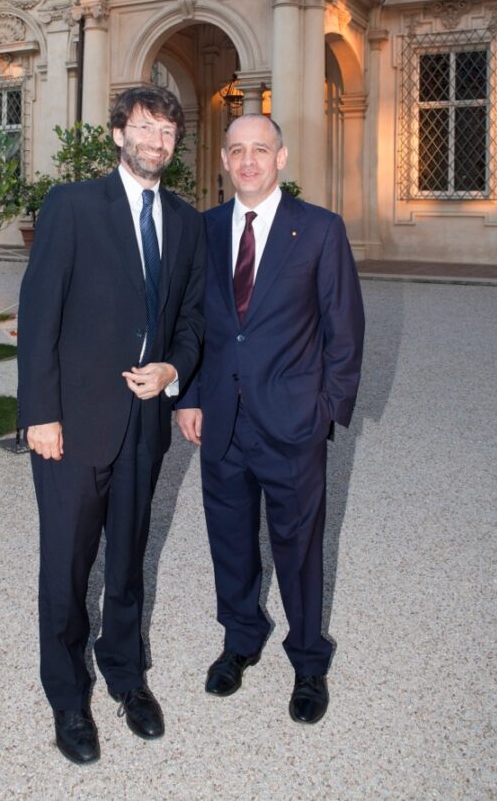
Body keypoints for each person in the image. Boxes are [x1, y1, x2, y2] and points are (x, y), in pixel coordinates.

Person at [17, 85, 204, 766]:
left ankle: (125, 674)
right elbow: (40, 312)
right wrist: (39, 412)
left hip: (144, 424)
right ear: (119, 133)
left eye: (168, 132)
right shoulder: (71, 206)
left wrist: (173, 372)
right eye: (146, 127)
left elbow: (191, 318)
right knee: (66, 567)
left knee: (127, 559)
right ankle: (68, 696)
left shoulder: (185, 222)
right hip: (69, 423)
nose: (157, 141)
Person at [176, 114, 364, 726]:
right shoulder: (203, 231)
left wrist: (326, 412)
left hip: (292, 423)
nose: (249, 160)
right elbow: (199, 327)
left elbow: (344, 329)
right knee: (229, 541)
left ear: (281, 157)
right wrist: (190, 397)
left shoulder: (319, 230)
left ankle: (309, 658)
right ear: (224, 161)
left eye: (261, 149)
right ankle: (241, 638)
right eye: (237, 150)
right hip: (222, 421)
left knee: (299, 547)